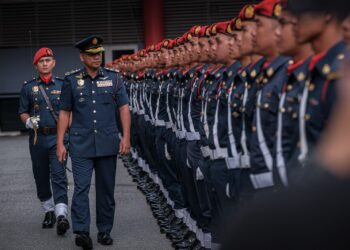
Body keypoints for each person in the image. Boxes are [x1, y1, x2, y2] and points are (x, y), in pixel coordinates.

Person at [56, 35, 131, 250]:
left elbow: (123, 108)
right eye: (91, 54)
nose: (96, 57)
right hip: (81, 144)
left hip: (108, 143)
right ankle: (81, 231)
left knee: (106, 191)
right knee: (81, 188)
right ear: (82, 57)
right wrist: (60, 143)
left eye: (98, 54)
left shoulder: (114, 79)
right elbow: (64, 113)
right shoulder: (71, 81)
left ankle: (104, 230)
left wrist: (126, 137)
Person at [18, 47, 70, 235]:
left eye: (48, 60)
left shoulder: (64, 85)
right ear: (36, 65)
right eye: (41, 61)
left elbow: (69, 111)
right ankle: (49, 211)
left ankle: (62, 214)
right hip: (38, 139)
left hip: (58, 137)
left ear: (54, 63)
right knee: (40, 176)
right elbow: (22, 111)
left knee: (58, 175)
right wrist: (28, 121)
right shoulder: (27, 87)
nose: (45, 63)